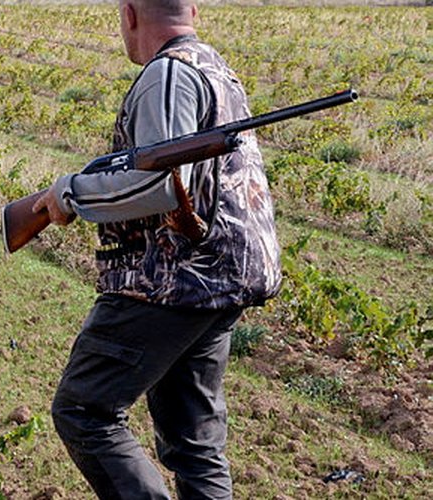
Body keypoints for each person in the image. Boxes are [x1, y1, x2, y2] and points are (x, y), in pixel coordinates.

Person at [32, 0, 281, 498]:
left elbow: (162, 185)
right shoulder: (217, 69)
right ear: (193, 11)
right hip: (221, 280)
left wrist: (70, 194)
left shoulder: (167, 74)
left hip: (172, 282)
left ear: (129, 14)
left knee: (84, 410)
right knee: (195, 445)